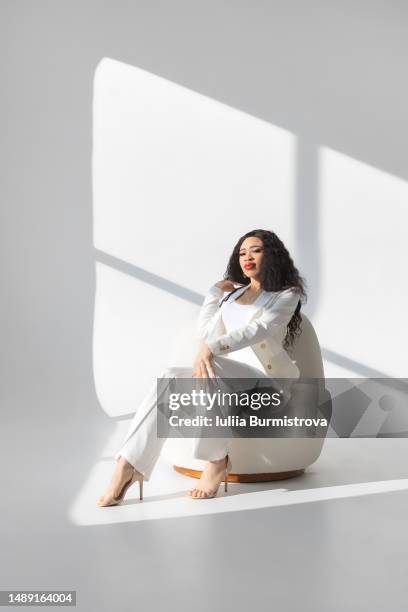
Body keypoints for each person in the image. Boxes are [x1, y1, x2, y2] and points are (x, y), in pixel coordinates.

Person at [97, 228, 306, 505]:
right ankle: (128, 464)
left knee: (211, 367)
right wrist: (213, 296)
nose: (247, 257)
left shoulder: (286, 294)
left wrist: (211, 350)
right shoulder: (234, 295)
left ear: (273, 254)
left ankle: (216, 461)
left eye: (255, 250)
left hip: (265, 382)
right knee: (170, 376)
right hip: (226, 377)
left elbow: (261, 328)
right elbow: (207, 334)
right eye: (242, 252)